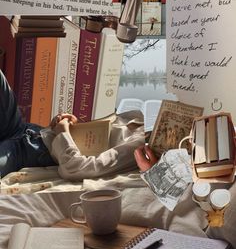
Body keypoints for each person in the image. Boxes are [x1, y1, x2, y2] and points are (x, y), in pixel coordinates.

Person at [0, 70, 145, 179]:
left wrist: (63, 132)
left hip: (27, 154)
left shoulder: (139, 149)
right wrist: (71, 123)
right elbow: (93, 141)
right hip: (27, 130)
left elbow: (75, 168)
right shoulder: (139, 120)